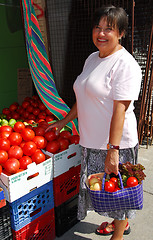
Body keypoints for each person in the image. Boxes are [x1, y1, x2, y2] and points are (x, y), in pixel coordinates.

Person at [46, 5, 142, 240]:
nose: (101, 33)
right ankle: (121, 224)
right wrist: (65, 121)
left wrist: (113, 150)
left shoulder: (126, 64)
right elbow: (84, 96)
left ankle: (117, 236)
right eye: (97, 27)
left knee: (119, 194)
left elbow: (120, 110)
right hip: (92, 140)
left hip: (116, 143)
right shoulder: (92, 58)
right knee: (106, 193)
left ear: (121, 33)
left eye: (108, 29)